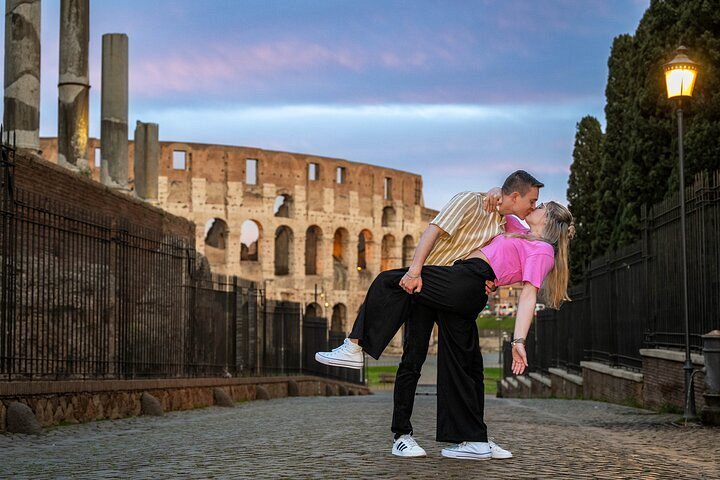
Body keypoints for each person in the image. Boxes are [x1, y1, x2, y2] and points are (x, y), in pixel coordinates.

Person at [318, 200, 574, 460]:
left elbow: (528, 294)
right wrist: (496, 193)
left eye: (541, 206)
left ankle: (355, 347)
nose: (535, 206)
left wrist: (518, 340)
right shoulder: (520, 231)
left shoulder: (543, 250)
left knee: (390, 283)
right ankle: (448, 437)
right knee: (445, 362)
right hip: (453, 278)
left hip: (461, 283)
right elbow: (501, 206)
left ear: (548, 220)